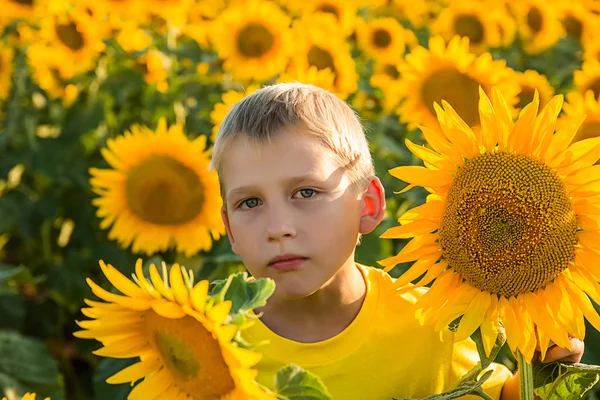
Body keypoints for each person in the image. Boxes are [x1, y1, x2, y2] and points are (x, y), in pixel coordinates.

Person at [210, 82, 584, 399]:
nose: (278, 227)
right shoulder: (209, 341)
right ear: (230, 230)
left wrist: (545, 375)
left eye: (306, 193)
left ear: (368, 205)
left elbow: (499, 394)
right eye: (250, 202)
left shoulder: (437, 327)